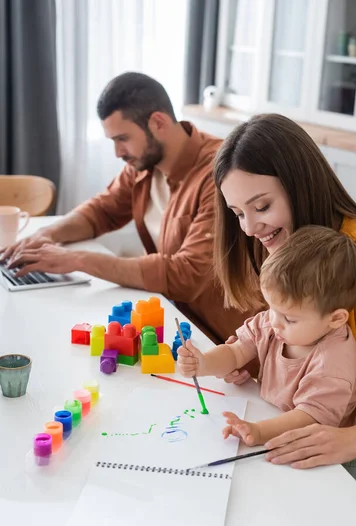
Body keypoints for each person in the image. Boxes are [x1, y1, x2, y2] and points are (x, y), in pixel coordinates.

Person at [211, 113, 356, 524]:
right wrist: (261, 358)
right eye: (238, 212)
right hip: (336, 437)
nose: (249, 228)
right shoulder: (287, 244)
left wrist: (354, 439)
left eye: (261, 206)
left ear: (302, 185)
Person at [0, 72, 251, 344]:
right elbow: (102, 210)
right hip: (171, 317)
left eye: (122, 139)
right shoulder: (144, 163)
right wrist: (47, 235)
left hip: (220, 339)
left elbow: (187, 275)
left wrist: (77, 260)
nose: (117, 153)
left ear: (158, 122)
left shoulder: (219, 174)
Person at [178, 226, 356, 481]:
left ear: (335, 319)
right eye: (271, 308)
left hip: (332, 453)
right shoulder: (274, 322)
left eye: (289, 318)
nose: (275, 322)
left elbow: (309, 418)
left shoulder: (333, 362)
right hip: (278, 421)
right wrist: (204, 363)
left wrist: (258, 431)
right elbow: (236, 352)